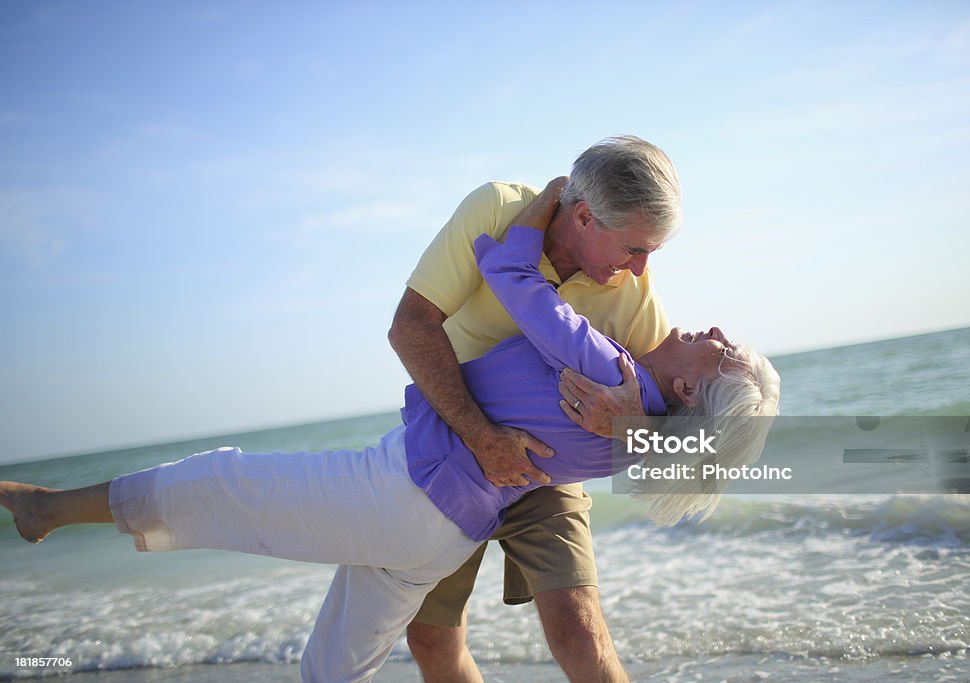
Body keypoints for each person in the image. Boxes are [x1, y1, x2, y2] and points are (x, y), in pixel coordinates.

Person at [0, 213, 782, 683]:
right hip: (437, 527)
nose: (712, 331)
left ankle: (44, 507)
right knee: (338, 659)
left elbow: (509, 271)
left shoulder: (607, 369)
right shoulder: (632, 432)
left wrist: (547, 202)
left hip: (405, 492)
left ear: (689, 393)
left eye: (722, 351)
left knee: (223, 483)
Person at [390, 135, 679, 681]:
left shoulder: (632, 292)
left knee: (581, 631)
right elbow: (410, 326)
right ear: (587, 217)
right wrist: (482, 438)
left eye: (650, 253)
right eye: (634, 249)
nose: (640, 269)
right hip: (454, 452)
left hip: (544, 470)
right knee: (431, 638)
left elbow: (688, 418)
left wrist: (636, 425)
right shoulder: (497, 210)